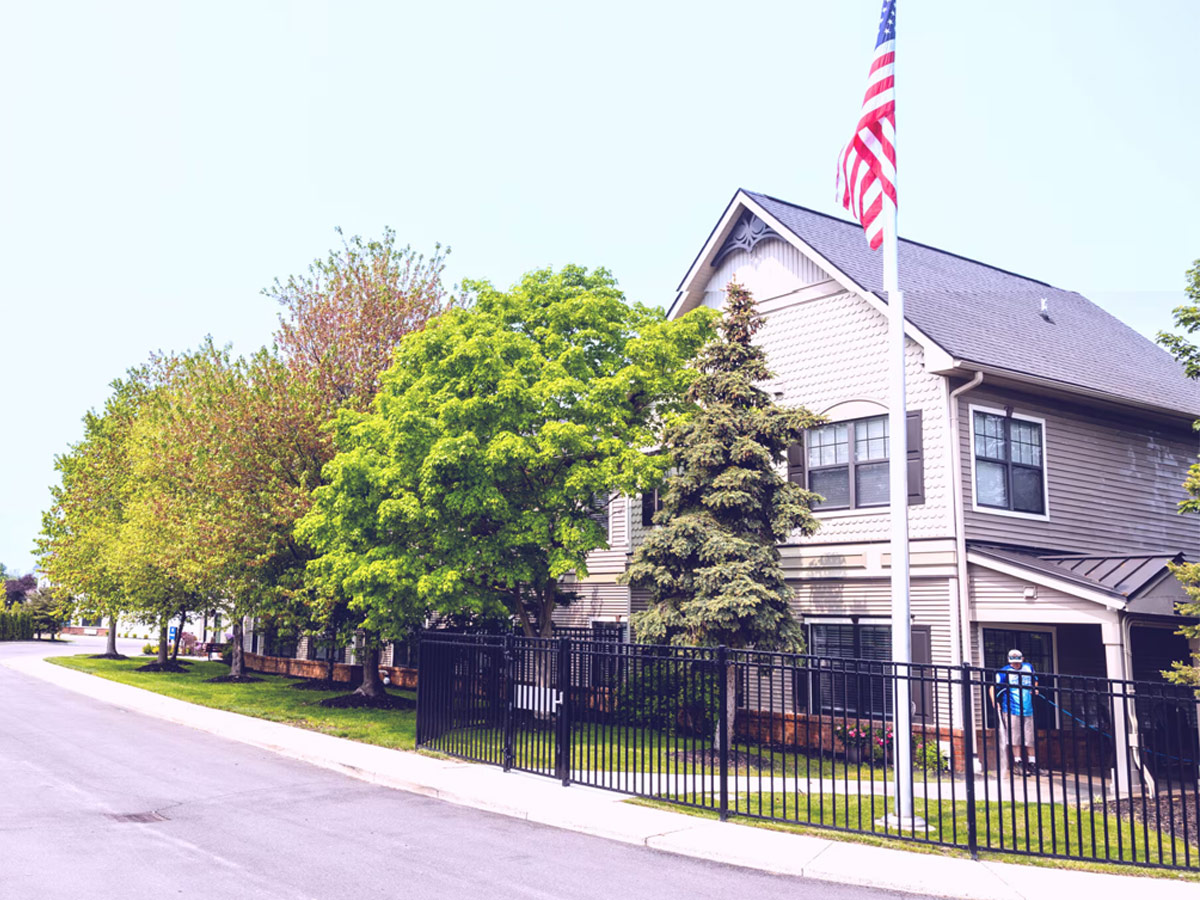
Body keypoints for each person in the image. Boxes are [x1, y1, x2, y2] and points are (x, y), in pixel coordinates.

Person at [988, 648, 1040, 776]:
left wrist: (1035, 688)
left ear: (1022, 659)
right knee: (1015, 738)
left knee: (1030, 738)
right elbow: (992, 687)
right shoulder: (1004, 672)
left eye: (1017, 662)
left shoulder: (1028, 667)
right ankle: (1018, 764)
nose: (1015, 665)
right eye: (1013, 662)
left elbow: (1035, 680)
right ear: (1009, 661)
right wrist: (995, 703)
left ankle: (1032, 764)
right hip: (1011, 709)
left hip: (1028, 709)